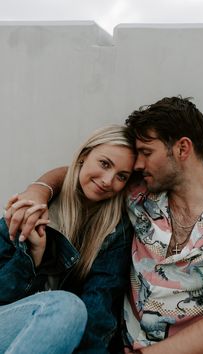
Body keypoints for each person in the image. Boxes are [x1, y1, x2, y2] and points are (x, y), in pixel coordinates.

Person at [5, 97, 203, 354]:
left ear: (182, 149)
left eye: (146, 153)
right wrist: (39, 190)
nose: (138, 164)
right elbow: (82, 173)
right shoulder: (138, 194)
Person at [1, 124, 136, 354]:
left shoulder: (116, 232)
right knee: (66, 307)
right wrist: (31, 258)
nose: (107, 180)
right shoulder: (34, 208)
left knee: (69, 310)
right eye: (104, 164)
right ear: (84, 156)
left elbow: (98, 311)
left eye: (121, 176)